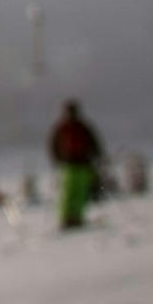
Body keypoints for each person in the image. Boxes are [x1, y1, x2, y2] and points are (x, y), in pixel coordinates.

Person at [48, 99, 104, 231]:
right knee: (77, 192)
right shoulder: (81, 127)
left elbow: (53, 145)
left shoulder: (63, 127)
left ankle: (70, 218)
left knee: (71, 192)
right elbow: (95, 144)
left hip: (72, 164)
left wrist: (57, 159)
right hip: (80, 164)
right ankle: (72, 217)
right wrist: (97, 157)